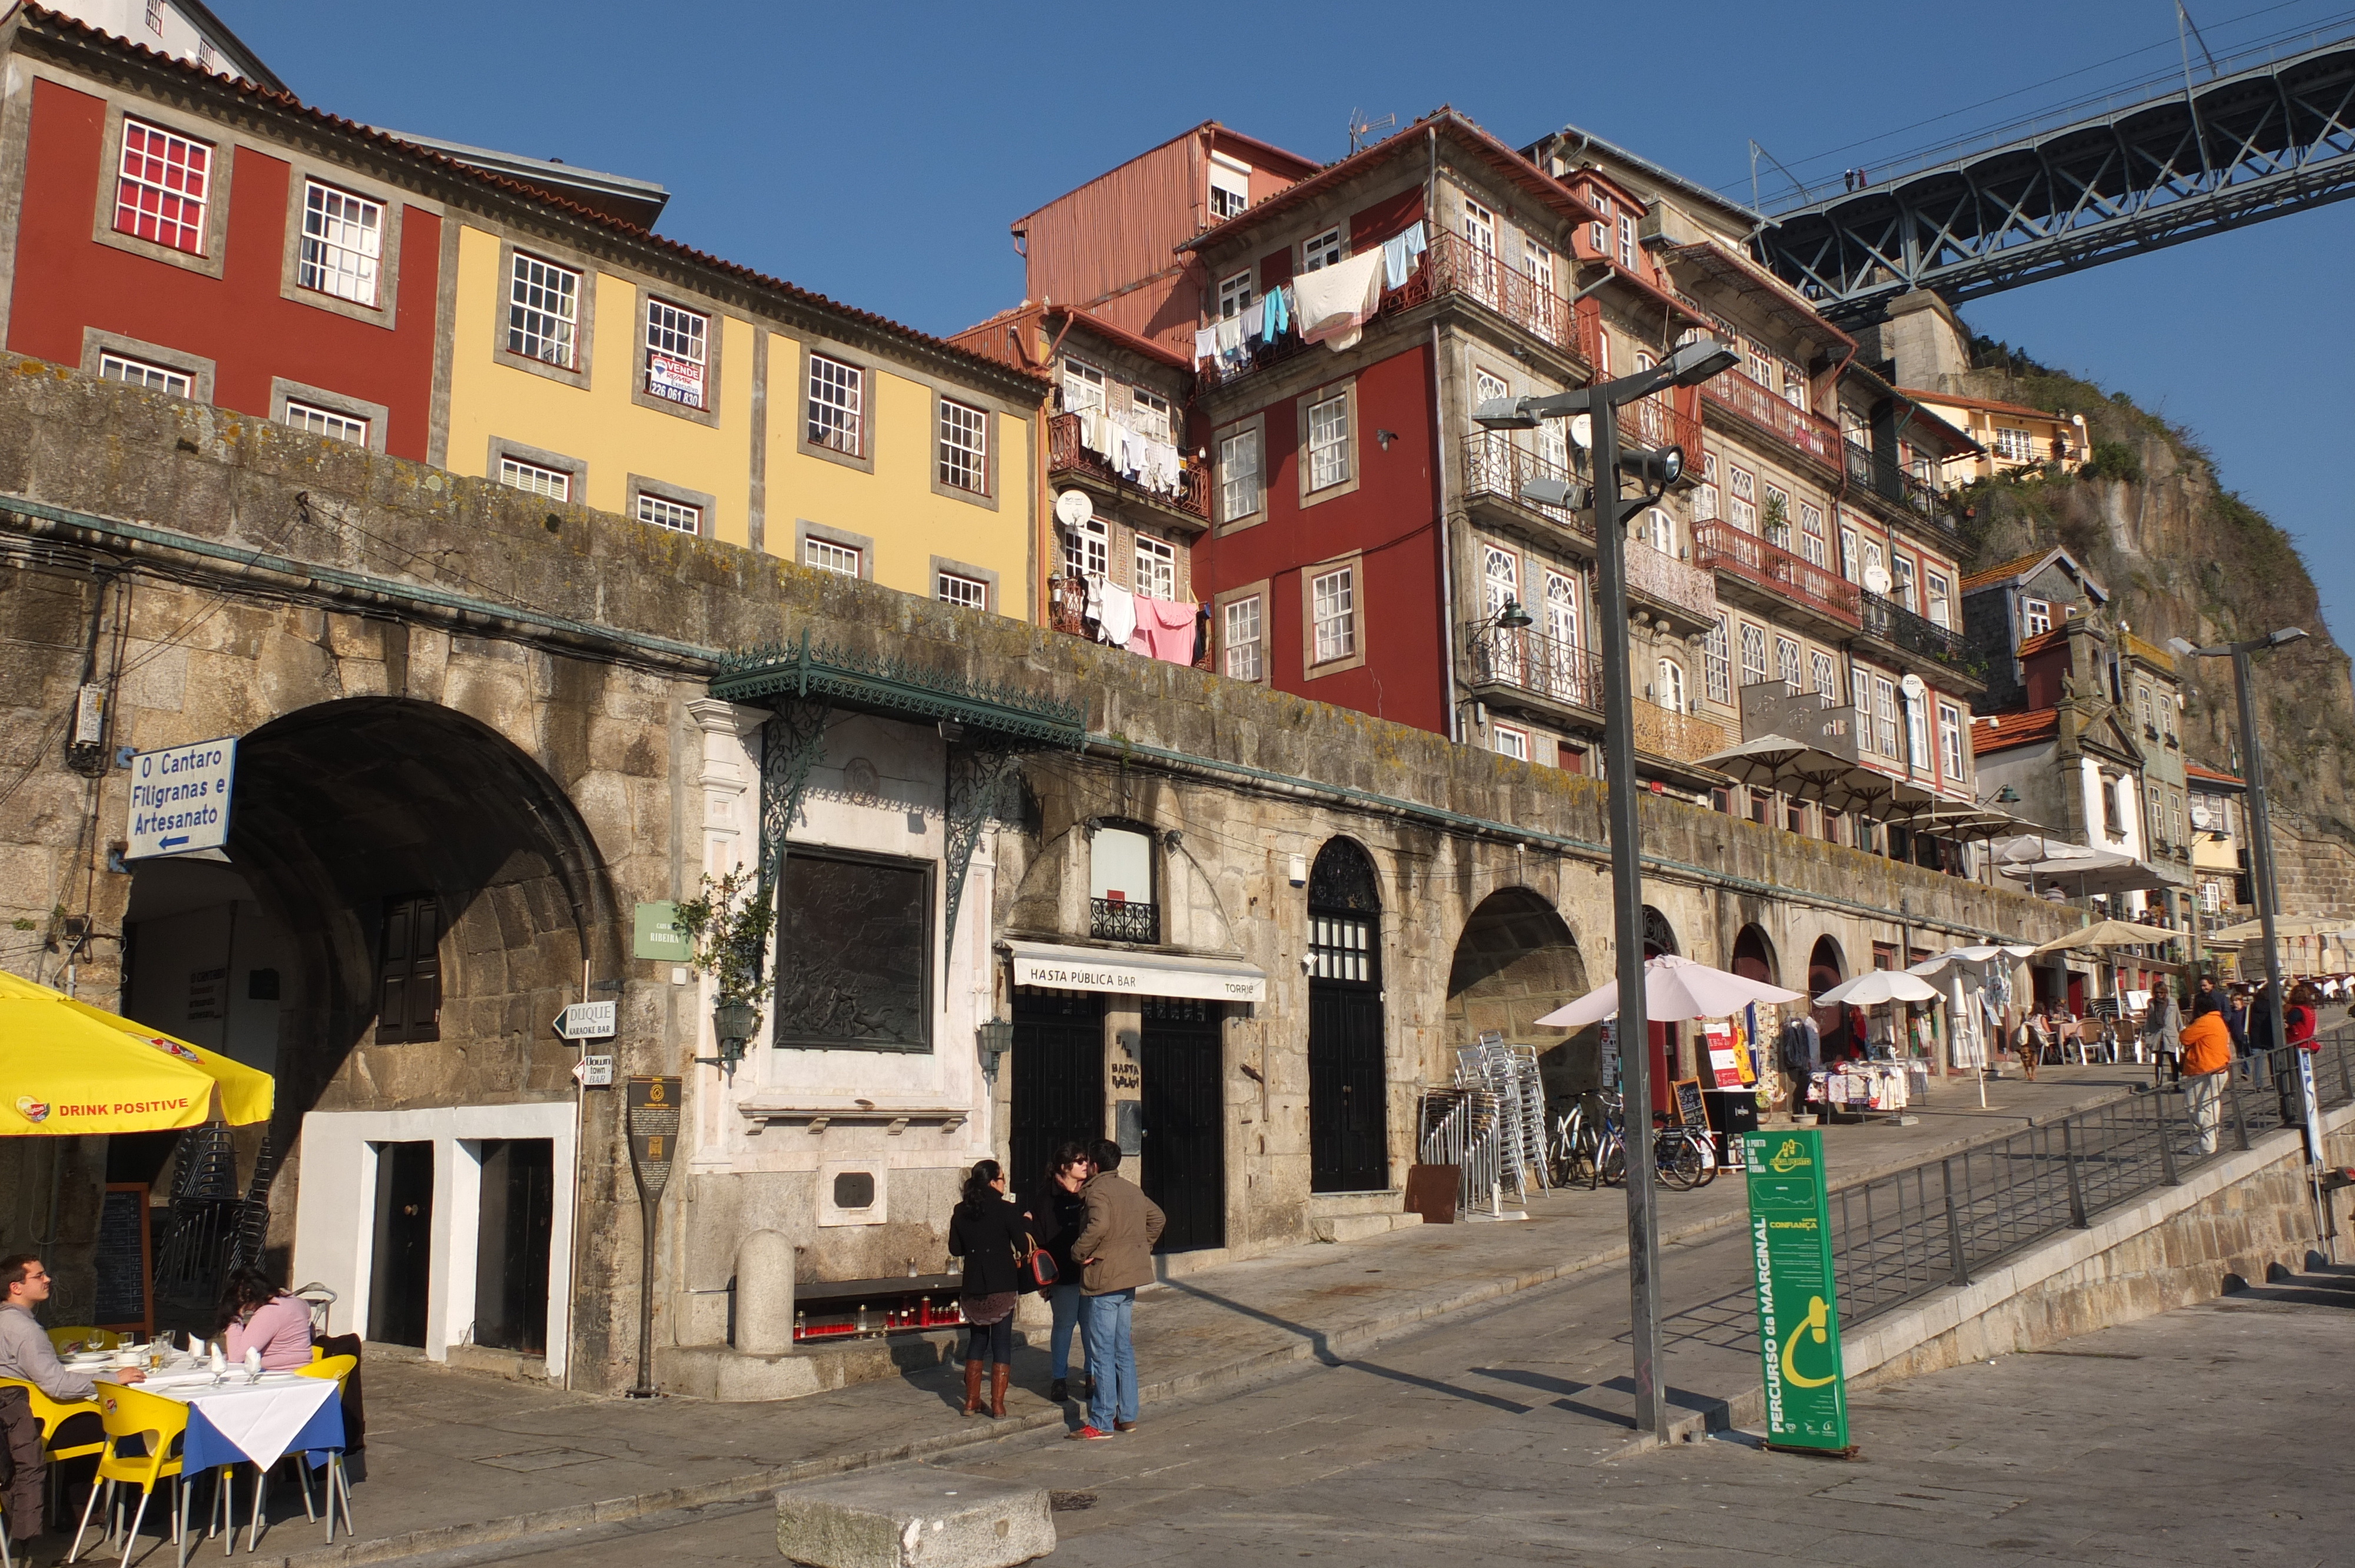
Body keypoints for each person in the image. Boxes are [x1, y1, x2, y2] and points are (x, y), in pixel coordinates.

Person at [0, 1255, 140, 1549]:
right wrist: (113, 1379)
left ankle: (77, 1507)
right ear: (16, 1287)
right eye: (38, 1276)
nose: (47, 1279)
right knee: (118, 1420)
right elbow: (58, 1385)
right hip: (37, 1421)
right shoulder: (25, 1330)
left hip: (15, 1421)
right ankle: (131, 1508)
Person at [1067, 1138, 1163, 1441]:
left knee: (1102, 1352)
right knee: (1123, 1348)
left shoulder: (1098, 1192)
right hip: (1129, 1277)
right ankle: (1129, 1415)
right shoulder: (1133, 1189)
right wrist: (1140, 1248)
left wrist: (1078, 1252)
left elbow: (1099, 1225)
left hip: (1106, 1278)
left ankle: (1102, 1420)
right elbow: (1157, 1218)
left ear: (1095, 1165)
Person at [946, 1160, 1034, 1420]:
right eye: (1003, 1179)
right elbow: (1023, 1244)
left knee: (977, 1340)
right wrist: (1026, 1223)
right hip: (1002, 1283)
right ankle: (997, 1405)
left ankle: (971, 1401)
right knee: (1001, 1342)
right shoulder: (1007, 1210)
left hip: (973, 1284)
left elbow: (955, 1249)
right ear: (994, 1182)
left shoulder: (961, 1210)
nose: (1005, 1183)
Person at [1031, 1143, 1092, 1403]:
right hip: (1062, 1272)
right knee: (1065, 1325)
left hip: (1089, 1271)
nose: (1085, 1165)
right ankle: (1059, 1379)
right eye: (1079, 1161)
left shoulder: (1091, 1192)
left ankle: (1092, 1376)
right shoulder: (1046, 1197)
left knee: (1091, 1327)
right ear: (1065, 1167)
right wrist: (1043, 1279)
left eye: (1085, 1160)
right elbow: (1040, 1239)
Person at [217, 1266, 315, 1370]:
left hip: (279, 1374)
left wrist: (234, 1319)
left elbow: (236, 1357)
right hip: (304, 1370)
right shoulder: (297, 1302)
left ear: (248, 1293)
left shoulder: (269, 1312)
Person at [2180, 1002, 2234, 1155]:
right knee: (2209, 1104)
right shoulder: (2219, 1020)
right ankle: (2210, 1137)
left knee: (2197, 1105)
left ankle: (2208, 1143)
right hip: (2217, 1068)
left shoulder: (2205, 1021)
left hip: (2207, 1069)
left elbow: (2184, 1038)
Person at [2145, 986, 2182, 1088]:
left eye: (2161, 993)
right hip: (2157, 1034)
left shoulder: (2172, 1002)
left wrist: (2181, 1033)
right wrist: (2147, 1035)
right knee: (2159, 1059)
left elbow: (2178, 1019)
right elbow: (2149, 1021)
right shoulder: (2152, 1003)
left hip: (2170, 1033)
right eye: (2157, 993)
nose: (2159, 995)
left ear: (2165, 993)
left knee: (2172, 1059)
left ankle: (2176, 1084)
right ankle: (2159, 1083)